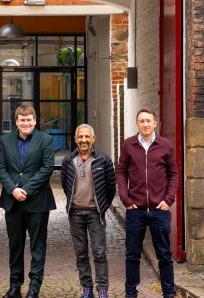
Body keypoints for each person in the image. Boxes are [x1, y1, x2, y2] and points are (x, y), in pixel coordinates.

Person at [0, 103, 57, 298]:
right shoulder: (5, 141)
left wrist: (27, 190)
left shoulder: (45, 139)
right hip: (12, 201)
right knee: (15, 245)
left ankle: (34, 287)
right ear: (16, 122)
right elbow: (1, 168)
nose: (26, 123)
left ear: (35, 120)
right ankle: (15, 286)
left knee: (38, 246)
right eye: (22, 120)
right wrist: (13, 189)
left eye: (29, 119)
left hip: (38, 201)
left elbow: (47, 168)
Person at [116, 109, 178, 298]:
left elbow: (173, 174)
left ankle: (168, 293)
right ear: (137, 124)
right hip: (136, 210)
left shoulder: (165, 145)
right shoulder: (128, 145)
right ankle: (130, 293)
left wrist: (168, 200)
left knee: (164, 256)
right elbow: (121, 172)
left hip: (160, 210)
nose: (145, 124)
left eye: (148, 121)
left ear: (155, 123)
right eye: (141, 121)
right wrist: (125, 199)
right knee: (132, 255)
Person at [60, 124, 116, 298]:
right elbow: (65, 185)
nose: (84, 140)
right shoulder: (68, 161)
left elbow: (110, 188)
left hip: (95, 214)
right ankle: (87, 288)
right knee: (81, 254)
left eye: (87, 137)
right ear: (76, 139)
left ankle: (102, 289)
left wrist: (102, 207)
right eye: (80, 137)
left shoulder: (104, 160)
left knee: (99, 252)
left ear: (93, 138)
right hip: (75, 213)